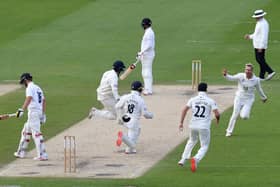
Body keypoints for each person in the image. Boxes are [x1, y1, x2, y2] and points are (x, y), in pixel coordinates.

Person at [178, 83, 220, 172]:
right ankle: (196, 158)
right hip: (204, 126)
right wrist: (217, 120)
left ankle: (183, 159)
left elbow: (184, 110)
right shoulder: (210, 100)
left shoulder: (193, 99)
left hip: (193, 125)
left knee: (191, 141)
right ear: (206, 90)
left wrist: (181, 123)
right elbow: (217, 113)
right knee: (204, 145)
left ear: (198, 89)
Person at [223, 63, 267, 137]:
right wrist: (226, 75)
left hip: (249, 100)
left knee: (244, 116)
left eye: (249, 70)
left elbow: (259, 89)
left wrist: (264, 97)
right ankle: (229, 131)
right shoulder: (241, 76)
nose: (247, 71)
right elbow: (232, 78)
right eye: (246, 69)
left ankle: (242, 112)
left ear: (252, 71)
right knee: (234, 115)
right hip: (239, 98)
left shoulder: (256, 80)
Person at [14, 73, 48, 161]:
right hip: (38, 112)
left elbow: (29, 98)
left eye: (23, 82)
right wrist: (43, 114)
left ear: (25, 80)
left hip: (33, 112)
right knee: (26, 130)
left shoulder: (29, 87)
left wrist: (22, 110)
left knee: (36, 134)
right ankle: (21, 152)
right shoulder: (38, 87)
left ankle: (43, 155)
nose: (23, 84)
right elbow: (44, 101)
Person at [115, 81, 153, 154]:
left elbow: (117, 106)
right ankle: (123, 137)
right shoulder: (140, 100)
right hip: (134, 121)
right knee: (132, 144)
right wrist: (151, 115)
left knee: (137, 130)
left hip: (125, 119)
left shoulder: (125, 96)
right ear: (139, 89)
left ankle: (129, 149)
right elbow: (145, 114)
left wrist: (119, 117)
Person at [244, 9, 275, 81]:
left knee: (260, 60)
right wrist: (249, 36)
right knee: (260, 60)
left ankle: (270, 71)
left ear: (260, 16)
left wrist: (261, 46)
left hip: (260, 45)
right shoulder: (260, 23)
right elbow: (256, 34)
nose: (255, 18)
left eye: (256, 17)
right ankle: (261, 76)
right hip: (257, 45)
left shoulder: (263, 24)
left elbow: (264, 36)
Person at [136, 18, 155, 96]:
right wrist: (141, 53)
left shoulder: (149, 33)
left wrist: (141, 52)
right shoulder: (148, 32)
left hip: (148, 55)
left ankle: (148, 90)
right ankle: (148, 88)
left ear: (145, 25)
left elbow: (149, 45)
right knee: (145, 72)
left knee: (146, 72)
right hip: (146, 54)